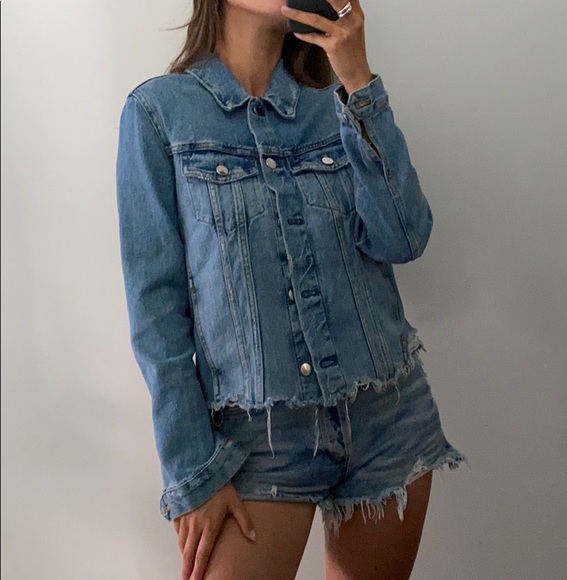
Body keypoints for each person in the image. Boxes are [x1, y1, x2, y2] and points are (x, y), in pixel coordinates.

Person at [115, 1, 468, 578]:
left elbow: (404, 237)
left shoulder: (334, 100)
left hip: (386, 416)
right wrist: (193, 472)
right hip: (255, 439)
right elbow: (156, 312)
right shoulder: (158, 113)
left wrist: (358, 81)